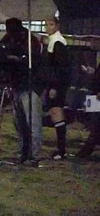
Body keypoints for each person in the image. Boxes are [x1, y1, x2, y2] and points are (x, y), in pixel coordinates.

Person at [0, 17, 44, 163]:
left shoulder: (31, 42)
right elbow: (1, 51)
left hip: (30, 85)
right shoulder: (9, 39)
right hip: (16, 84)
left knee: (33, 123)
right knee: (19, 122)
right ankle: (23, 151)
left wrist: (17, 59)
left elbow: (33, 61)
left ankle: (34, 154)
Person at [41, 17, 71, 160]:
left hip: (57, 84)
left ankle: (61, 149)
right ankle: (61, 148)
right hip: (54, 83)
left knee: (56, 112)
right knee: (55, 113)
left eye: (51, 24)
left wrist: (54, 86)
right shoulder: (53, 41)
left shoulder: (58, 43)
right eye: (46, 24)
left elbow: (60, 68)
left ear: (57, 26)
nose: (48, 27)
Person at [78, 62, 100, 158]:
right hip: (95, 94)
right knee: (94, 122)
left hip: (96, 95)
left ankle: (88, 148)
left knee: (95, 123)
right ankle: (88, 148)